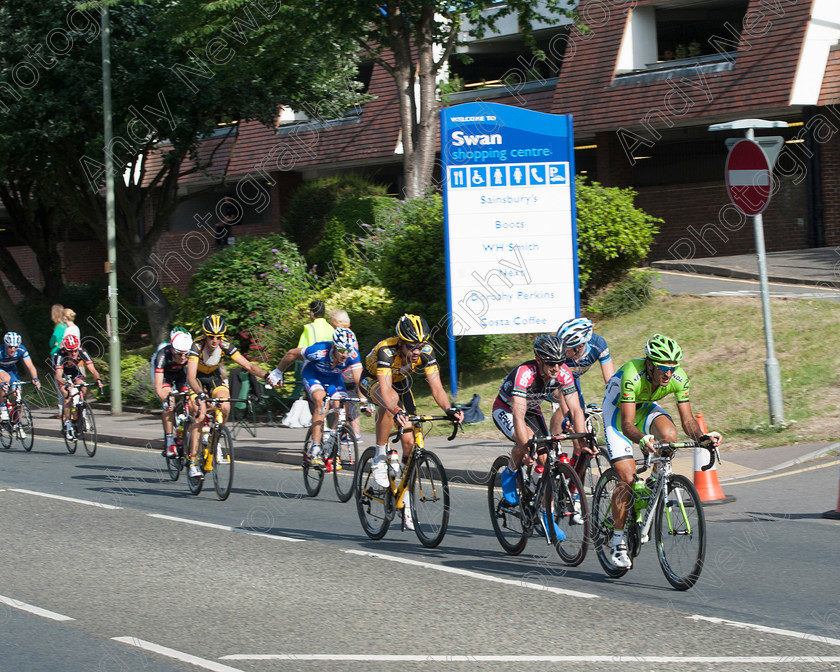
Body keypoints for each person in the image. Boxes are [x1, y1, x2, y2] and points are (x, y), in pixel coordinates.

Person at [602, 334, 721, 569]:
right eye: (663, 368)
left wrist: (703, 438)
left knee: (670, 436)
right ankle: (617, 542)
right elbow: (627, 425)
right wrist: (643, 439)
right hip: (618, 415)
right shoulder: (631, 374)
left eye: (672, 368)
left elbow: (687, 419)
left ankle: (655, 482)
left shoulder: (678, 377)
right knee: (626, 477)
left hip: (645, 407)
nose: (668, 373)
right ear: (649, 364)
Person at [359, 314, 463, 530]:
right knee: (391, 403)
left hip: (400, 383)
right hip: (373, 381)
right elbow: (386, 391)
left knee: (410, 442)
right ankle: (379, 456)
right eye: (411, 346)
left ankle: (403, 497)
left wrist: (449, 409)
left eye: (420, 345)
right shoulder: (385, 351)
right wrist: (396, 410)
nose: (417, 351)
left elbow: (436, 387)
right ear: (400, 342)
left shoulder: (425, 352)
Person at [491, 334, 591, 535]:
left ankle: (546, 515)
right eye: (551, 363)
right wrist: (526, 446)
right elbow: (518, 416)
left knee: (546, 461)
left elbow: (576, 409)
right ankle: (510, 471)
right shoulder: (524, 373)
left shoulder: (563, 373)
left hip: (531, 409)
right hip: (508, 409)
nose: (557, 368)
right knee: (526, 440)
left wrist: (583, 440)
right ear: (539, 360)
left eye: (560, 362)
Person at [268, 327, 367, 469]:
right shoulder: (319, 351)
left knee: (340, 404)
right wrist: (278, 372)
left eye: (348, 350)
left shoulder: (353, 355)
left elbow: (359, 381)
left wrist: (364, 402)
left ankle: (331, 441)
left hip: (334, 379)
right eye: (341, 350)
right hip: (313, 375)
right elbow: (292, 354)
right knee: (321, 401)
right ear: (333, 346)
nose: (345, 354)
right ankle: (315, 448)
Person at [186, 314, 268, 479]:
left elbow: (248, 365)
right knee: (200, 415)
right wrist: (200, 394)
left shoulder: (224, 345)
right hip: (197, 380)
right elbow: (190, 377)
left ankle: (216, 437)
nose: (215, 341)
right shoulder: (196, 346)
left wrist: (267, 376)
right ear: (205, 335)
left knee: (225, 405)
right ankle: (193, 462)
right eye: (211, 337)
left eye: (218, 337)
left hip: (214, 378)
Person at [53, 334, 104, 441]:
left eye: (76, 351)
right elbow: (58, 376)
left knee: (83, 387)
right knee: (68, 395)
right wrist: (66, 384)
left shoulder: (81, 351)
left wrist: (98, 380)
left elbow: (92, 370)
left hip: (74, 372)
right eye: (71, 351)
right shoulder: (60, 355)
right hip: (62, 375)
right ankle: (67, 425)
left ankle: (83, 414)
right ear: (66, 350)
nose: (74, 353)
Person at [153, 331, 193, 458]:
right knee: (169, 403)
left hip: (181, 375)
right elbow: (158, 386)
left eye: (186, 354)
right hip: (165, 376)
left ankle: (184, 434)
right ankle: (170, 441)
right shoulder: (162, 355)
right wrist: (164, 400)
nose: (183, 358)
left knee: (191, 401)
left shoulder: (190, 354)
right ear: (172, 350)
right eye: (179, 354)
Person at [328, 309, 364, 443]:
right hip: (351, 373)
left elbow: (349, 356)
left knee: (341, 404)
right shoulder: (350, 333)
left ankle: (342, 432)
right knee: (350, 404)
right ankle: (354, 433)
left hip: (345, 374)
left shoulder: (343, 335)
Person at [291, 300, 334, 400]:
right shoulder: (331, 328)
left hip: (313, 369)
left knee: (315, 400)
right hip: (330, 368)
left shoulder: (309, 328)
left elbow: (300, 351)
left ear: (311, 313)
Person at [0, 332, 42, 429]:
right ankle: (2, 406)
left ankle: (17, 421)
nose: (13, 349)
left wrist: (35, 379)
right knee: (5, 379)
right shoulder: (0, 351)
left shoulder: (21, 350)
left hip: (11, 370)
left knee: (18, 392)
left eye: (16, 347)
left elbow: (30, 366)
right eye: (10, 347)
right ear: (6, 345)